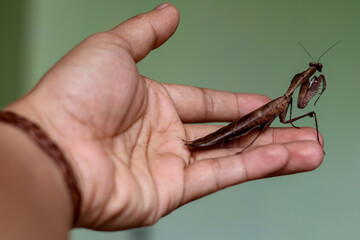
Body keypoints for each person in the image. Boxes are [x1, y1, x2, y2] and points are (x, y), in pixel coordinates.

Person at [0, 3, 324, 239]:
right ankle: (209, 145)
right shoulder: (282, 103)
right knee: (239, 130)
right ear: (305, 76)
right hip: (247, 123)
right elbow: (280, 115)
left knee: (245, 127)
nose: (311, 77)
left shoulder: (283, 99)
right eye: (310, 74)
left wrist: (48, 161)